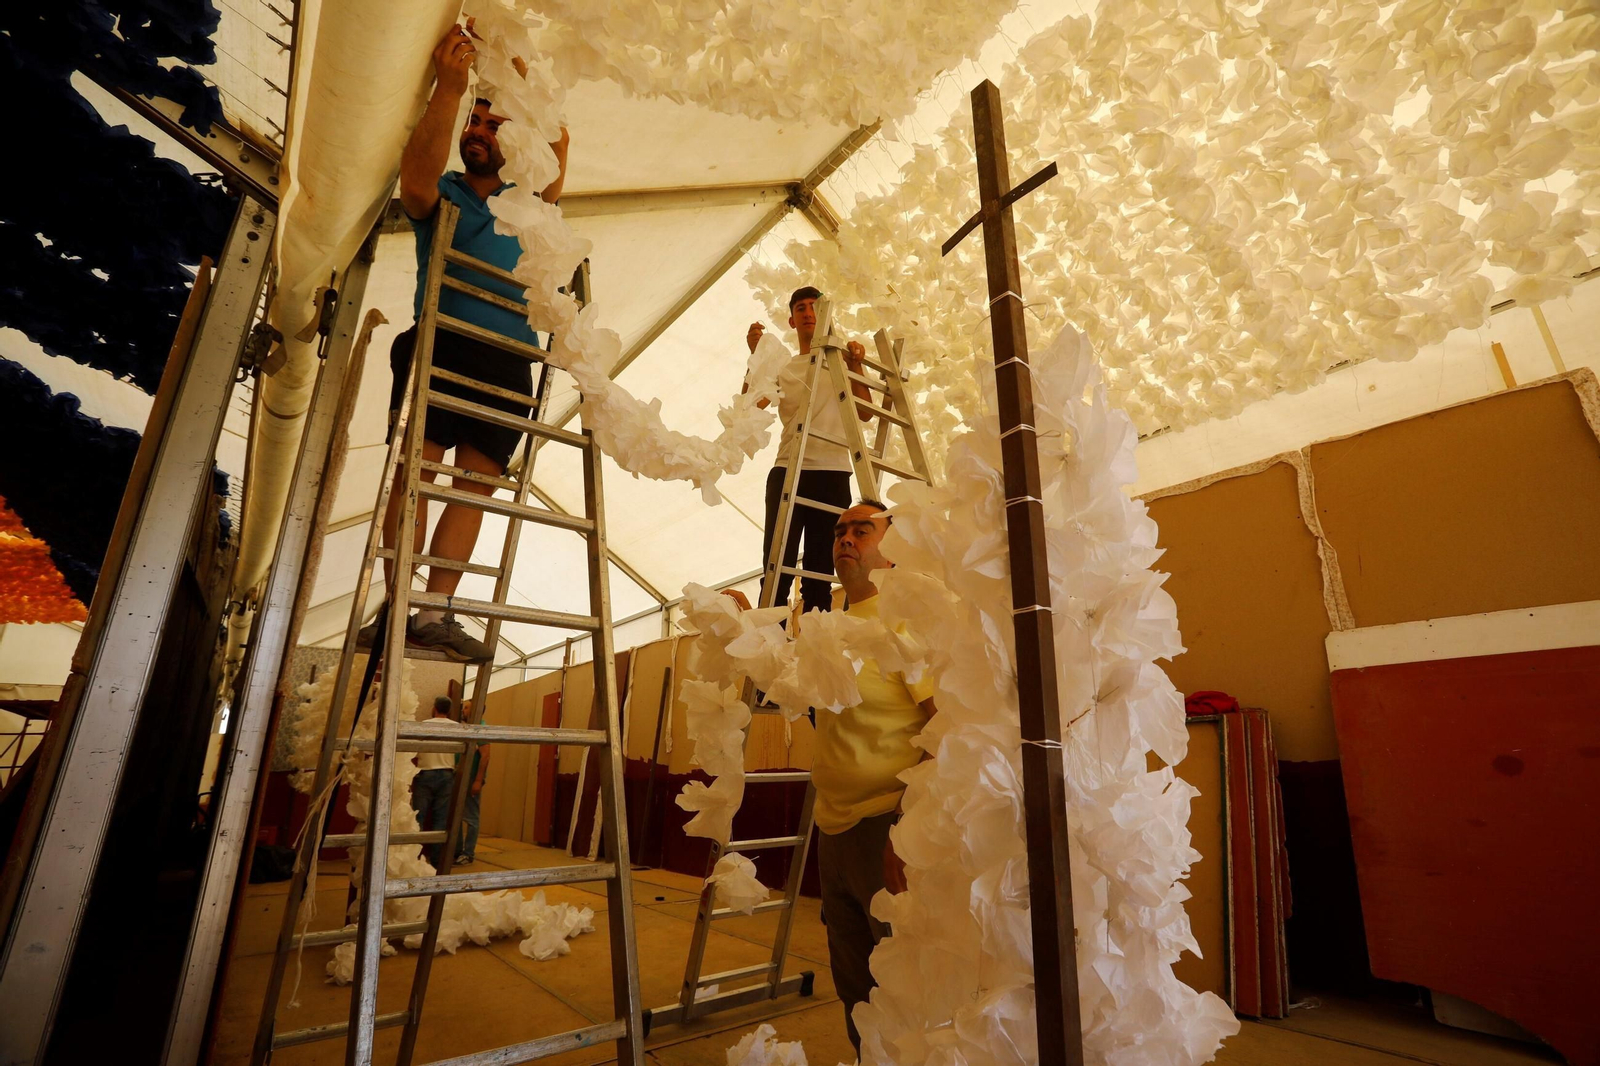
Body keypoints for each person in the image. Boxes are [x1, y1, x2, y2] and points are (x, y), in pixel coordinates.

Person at [358, 22, 571, 662]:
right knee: (414, 477)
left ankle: (436, 611)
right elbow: (414, 183)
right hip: (440, 342)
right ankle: (398, 605)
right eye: (473, 127)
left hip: (509, 362)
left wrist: (513, 65)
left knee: (473, 488)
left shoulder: (531, 200)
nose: (477, 134)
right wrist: (452, 88)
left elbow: (558, 139)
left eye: (491, 126)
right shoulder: (444, 189)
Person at [721, 501, 936, 1053]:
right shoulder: (834, 625)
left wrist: (907, 826)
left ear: (892, 549)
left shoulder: (909, 621)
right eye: (840, 530)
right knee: (856, 987)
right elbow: (794, 685)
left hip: (886, 827)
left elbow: (948, 729)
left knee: (908, 987)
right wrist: (746, 624)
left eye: (862, 530)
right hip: (834, 829)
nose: (846, 538)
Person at [747, 287, 873, 615]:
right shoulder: (784, 366)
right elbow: (751, 405)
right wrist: (755, 358)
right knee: (776, 570)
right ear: (791, 320)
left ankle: (814, 658)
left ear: (826, 315)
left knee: (820, 573)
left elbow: (865, 412)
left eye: (814, 307)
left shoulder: (843, 360)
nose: (807, 312)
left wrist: (857, 364)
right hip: (788, 468)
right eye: (800, 308)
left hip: (832, 472)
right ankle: (765, 654)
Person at [411, 696, 462, 867]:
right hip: (447, 775)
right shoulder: (458, 728)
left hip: (425, 773)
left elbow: (414, 751)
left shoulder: (424, 725)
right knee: (440, 819)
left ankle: (414, 858)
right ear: (449, 710)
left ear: (434, 708)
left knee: (418, 816)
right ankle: (436, 860)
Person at [454, 699, 490, 865]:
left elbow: (485, 756)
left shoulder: (481, 728)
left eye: (467, 708)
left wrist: (478, 780)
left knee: (472, 817)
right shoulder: (467, 728)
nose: (464, 710)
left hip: (471, 778)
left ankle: (468, 853)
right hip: (461, 777)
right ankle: (458, 851)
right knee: (459, 814)